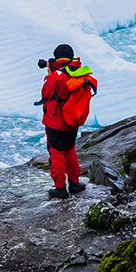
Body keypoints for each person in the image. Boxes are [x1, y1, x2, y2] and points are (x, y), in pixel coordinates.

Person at [41, 43, 95, 199]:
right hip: (73, 119)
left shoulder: (57, 75)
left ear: (57, 57)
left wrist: (50, 74)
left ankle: (60, 188)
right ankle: (75, 183)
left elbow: (46, 93)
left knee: (56, 153)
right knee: (70, 150)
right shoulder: (79, 72)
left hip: (55, 121)